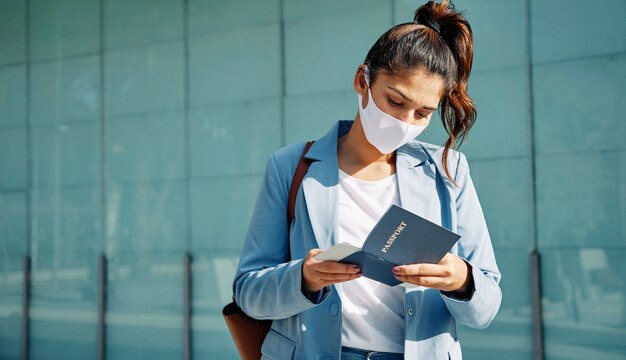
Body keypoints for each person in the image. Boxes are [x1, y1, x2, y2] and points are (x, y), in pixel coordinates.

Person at [232, 1, 501, 358]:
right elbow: (248, 293)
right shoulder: (290, 166)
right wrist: (304, 277)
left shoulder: (449, 171)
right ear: (363, 80)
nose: (406, 121)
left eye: (423, 113)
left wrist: (462, 280)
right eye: (395, 101)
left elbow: (487, 306)